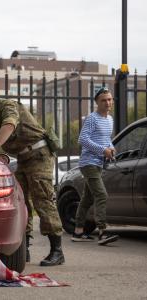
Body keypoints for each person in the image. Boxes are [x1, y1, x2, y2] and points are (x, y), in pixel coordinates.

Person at [0, 87, 64, 266]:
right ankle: (24, 249)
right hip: (24, 158)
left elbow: (9, 125)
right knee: (21, 202)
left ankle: (57, 251)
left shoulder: (7, 106)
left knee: (42, 200)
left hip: (38, 156)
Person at [72, 87, 119, 245]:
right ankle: (102, 232)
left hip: (99, 163)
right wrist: (103, 149)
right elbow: (82, 139)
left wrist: (111, 147)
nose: (108, 102)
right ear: (97, 103)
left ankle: (78, 232)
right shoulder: (92, 118)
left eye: (110, 99)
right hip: (88, 163)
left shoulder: (109, 119)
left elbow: (105, 139)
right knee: (101, 195)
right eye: (104, 100)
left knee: (87, 199)